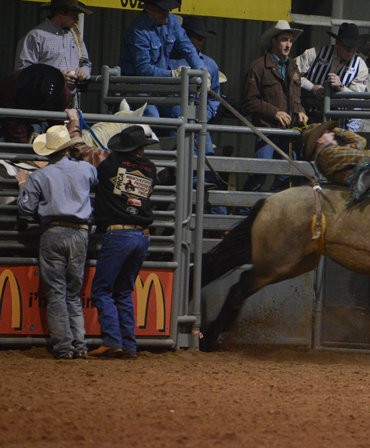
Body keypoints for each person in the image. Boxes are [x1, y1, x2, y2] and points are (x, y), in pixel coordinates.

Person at [16, 122, 98, 360]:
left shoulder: (39, 175)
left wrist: (22, 183)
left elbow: (26, 209)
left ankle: (63, 347)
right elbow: (95, 181)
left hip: (52, 232)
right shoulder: (86, 169)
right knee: (73, 293)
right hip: (80, 233)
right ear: (68, 148)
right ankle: (80, 345)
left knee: (56, 293)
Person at [88, 126, 158, 359]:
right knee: (124, 291)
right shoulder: (151, 169)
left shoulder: (109, 163)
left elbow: (87, 154)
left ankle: (111, 340)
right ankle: (129, 344)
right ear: (140, 148)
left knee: (101, 289)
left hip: (119, 234)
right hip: (142, 236)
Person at [240, 20, 308, 193]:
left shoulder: (293, 67)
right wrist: (275, 112)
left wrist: (300, 112)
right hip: (267, 131)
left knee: (286, 176)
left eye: (290, 41)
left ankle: (273, 207)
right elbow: (249, 100)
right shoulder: (258, 67)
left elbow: (296, 99)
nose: (288, 45)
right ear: (273, 41)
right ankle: (244, 205)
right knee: (259, 173)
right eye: (284, 40)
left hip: (288, 133)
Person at [167, 15, 226, 214]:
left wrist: (204, 116)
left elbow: (214, 98)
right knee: (178, 171)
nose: (199, 41)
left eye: (202, 37)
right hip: (175, 123)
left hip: (199, 124)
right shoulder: (169, 62)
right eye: (195, 36)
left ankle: (217, 220)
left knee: (207, 170)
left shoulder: (210, 65)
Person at [118, 0, 205, 117]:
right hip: (138, 88)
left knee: (182, 114)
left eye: (168, 10)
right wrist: (173, 74)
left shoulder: (172, 21)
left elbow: (186, 46)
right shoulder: (137, 32)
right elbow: (143, 69)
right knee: (152, 115)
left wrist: (200, 70)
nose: (166, 14)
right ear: (148, 8)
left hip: (162, 87)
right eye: (161, 10)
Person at [15, 0, 92, 95]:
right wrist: (56, 78)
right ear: (60, 13)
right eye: (73, 15)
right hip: (42, 96)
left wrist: (84, 71)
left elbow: (85, 62)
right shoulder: (36, 36)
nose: (77, 19)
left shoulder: (74, 36)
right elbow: (24, 71)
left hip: (67, 97)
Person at [295, 22, 368, 116]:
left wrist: (341, 87)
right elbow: (292, 73)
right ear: (337, 43)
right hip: (307, 112)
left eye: (354, 48)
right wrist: (312, 87)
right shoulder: (315, 53)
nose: (351, 51)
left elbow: (357, 99)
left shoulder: (360, 66)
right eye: (347, 47)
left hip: (339, 117)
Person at [0, 64, 71, 144]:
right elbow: (12, 121)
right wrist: (22, 147)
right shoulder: (12, 83)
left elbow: (59, 124)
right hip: (8, 119)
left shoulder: (63, 93)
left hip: (42, 121)